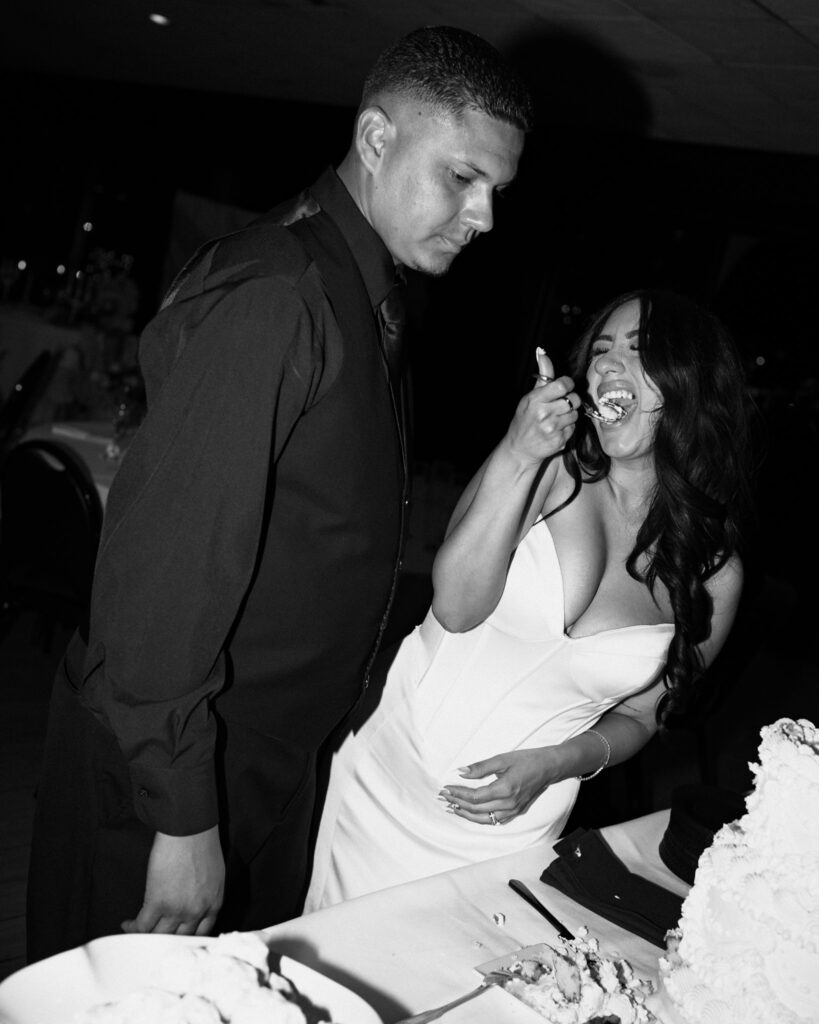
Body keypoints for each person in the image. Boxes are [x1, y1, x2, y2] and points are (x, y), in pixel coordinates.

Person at [26, 26, 532, 960]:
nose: (484, 215)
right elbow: (160, 584)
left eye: (496, 190)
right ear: (376, 138)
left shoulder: (355, 284)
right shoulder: (276, 293)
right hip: (175, 767)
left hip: (258, 759)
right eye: (462, 177)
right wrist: (182, 820)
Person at [305, 288, 752, 909]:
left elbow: (644, 716)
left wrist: (555, 764)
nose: (608, 364)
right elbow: (456, 608)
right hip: (386, 779)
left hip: (518, 827)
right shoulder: (549, 470)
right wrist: (519, 452)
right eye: (601, 348)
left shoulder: (713, 577)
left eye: (639, 350)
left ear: (692, 386)